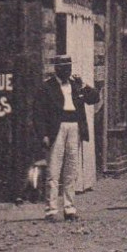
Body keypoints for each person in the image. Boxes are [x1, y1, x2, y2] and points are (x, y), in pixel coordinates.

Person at [33, 54, 99, 223]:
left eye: (69, 68)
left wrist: (83, 84)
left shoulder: (77, 86)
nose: (67, 71)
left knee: (71, 170)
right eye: (63, 68)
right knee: (53, 171)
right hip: (57, 129)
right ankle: (51, 210)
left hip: (74, 127)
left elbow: (94, 98)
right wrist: (44, 135)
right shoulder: (46, 88)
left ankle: (69, 208)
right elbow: (38, 114)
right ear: (56, 69)